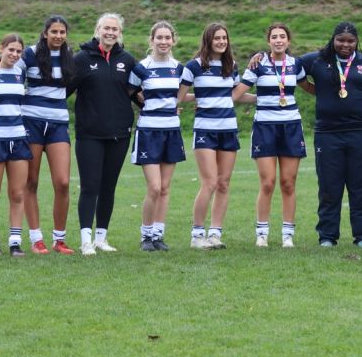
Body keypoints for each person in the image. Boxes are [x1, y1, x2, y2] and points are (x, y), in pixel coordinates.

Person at [299, 22, 362, 247]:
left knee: (361, 186)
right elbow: (287, 64)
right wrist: (260, 55)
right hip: (327, 133)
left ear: (357, 42)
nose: (345, 44)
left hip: (361, 132)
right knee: (329, 186)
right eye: (340, 40)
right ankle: (327, 236)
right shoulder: (317, 60)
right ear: (333, 39)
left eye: (350, 41)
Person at [68, 13, 137, 255]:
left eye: (114, 29)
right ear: (97, 30)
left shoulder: (127, 60)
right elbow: (64, 90)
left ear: (120, 33)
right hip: (90, 134)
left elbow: (137, 92)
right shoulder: (81, 59)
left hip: (120, 134)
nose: (110, 32)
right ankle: (85, 240)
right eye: (106, 28)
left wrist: (164, 106)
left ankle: (101, 238)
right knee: (90, 186)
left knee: (109, 187)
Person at [232, 23, 304, 248]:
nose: (278, 40)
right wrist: (207, 100)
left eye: (282, 36)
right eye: (274, 37)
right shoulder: (258, 64)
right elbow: (236, 94)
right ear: (268, 41)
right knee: (268, 182)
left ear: (288, 41)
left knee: (288, 183)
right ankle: (261, 234)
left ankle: (287, 235)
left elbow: (310, 87)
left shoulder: (296, 64)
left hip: (291, 127)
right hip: (265, 127)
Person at [178, 23, 242, 250]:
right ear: (208, 40)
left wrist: (267, 98)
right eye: (217, 38)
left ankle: (215, 234)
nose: (222, 42)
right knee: (210, 183)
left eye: (224, 38)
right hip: (205, 129)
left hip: (229, 129)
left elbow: (235, 95)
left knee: (223, 183)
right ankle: (197, 236)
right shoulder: (193, 66)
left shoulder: (232, 65)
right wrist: (199, 98)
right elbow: (180, 96)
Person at [20, 16, 76, 254]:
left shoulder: (69, 55)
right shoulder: (29, 53)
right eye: (54, 31)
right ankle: (36, 239)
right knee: (30, 182)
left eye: (62, 32)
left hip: (58, 125)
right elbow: (7, 68)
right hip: (31, 123)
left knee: (62, 182)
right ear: (45, 33)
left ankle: (59, 240)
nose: (58, 36)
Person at [129, 21, 186, 251]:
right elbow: (130, 91)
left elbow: (179, 96)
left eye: (167, 38)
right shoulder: (141, 68)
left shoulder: (179, 68)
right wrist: (141, 101)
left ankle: (158, 236)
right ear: (151, 40)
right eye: (159, 38)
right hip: (149, 131)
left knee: (165, 188)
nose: (163, 42)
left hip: (171, 130)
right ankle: (146, 236)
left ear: (173, 40)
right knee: (154, 187)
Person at [0, 34, 32, 257]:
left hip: (18, 138)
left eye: (18, 51)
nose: (14, 54)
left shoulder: (20, 73)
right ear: (1, 48)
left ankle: (15, 242)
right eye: (11, 49)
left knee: (18, 194)